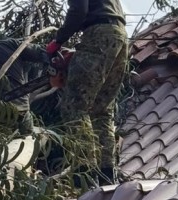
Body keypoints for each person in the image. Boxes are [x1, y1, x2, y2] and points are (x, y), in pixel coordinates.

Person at [45, 0, 128, 185]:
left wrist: (58, 41)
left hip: (98, 35)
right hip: (120, 36)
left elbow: (78, 10)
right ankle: (107, 174)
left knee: (74, 107)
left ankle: (84, 173)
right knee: (102, 110)